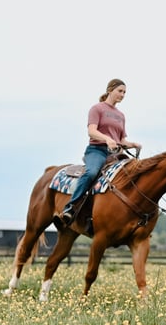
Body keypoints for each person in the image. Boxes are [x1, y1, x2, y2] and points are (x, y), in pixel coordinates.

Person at [59, 78, 141, 224]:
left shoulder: (121, 115)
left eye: (124, 93)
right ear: (110, 90)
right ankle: (71, 207)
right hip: (97, 150)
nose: (122, 95)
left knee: (131, 176)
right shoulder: (97, 108)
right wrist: (107, 139)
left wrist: (132, 144)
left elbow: (121, 140)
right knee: (91, 173)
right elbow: (91, 131)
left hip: (115, 153)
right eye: (120, 91)